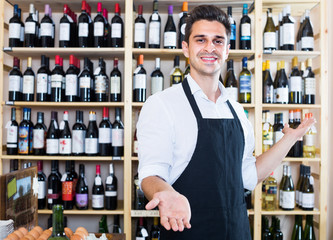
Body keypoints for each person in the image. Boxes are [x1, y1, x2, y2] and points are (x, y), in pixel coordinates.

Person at [137, 5, 315, 239]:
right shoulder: (162, 104)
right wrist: (166, 194)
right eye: (200, 40)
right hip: (188, 232)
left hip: (237, 231)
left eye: (218, 41)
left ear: (227, 50)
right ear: (186, 48)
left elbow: (248, 176)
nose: (210, 47)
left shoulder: (238, 111)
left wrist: (289, 139)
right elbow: (151, 174)